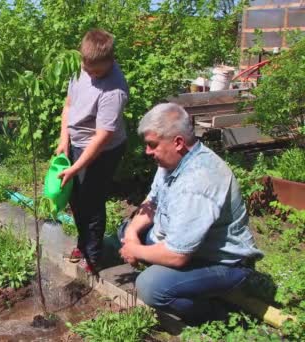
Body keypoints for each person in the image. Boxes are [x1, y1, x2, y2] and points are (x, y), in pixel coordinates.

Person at [118, 103, 263, 325]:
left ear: (177, 142)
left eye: (151, 145)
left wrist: (135, 249)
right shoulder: (170, 161)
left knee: (150, 286)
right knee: (127, 230)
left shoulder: (198, 181)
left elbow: (177, 255)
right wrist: (131, 235)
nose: (147, 151)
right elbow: (152, 202)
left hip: (222, 262)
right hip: (187, 245)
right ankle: (171, 273)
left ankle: (214, 314)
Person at [56, 29, 129, 274]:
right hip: (77, 143)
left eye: (96, 71)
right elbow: (68, 105)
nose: (90, 74)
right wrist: (63, 139)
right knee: (74, 198)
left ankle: (94, 256)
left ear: (111, 60)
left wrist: (76, 167)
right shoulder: (81, 69)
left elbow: (101, 138)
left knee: (92, 201)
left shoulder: (114, 90)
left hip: (103, 149)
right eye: (88, 69)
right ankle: (82, 244)